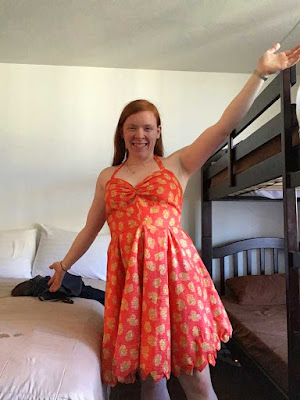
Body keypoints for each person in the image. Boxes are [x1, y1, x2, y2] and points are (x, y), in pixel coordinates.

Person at [48, 43, 300, 400]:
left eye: (147, 128)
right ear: (122, 131)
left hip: (177, 279)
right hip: (133, 284)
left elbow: (225, 124)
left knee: (195, 378)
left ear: (158, 131)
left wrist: (259, 74)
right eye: (132, 127)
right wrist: (64, 265)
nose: (140, 135)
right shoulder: (107, 176)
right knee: (151, 380)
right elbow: (91, 228)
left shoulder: (177, 165)